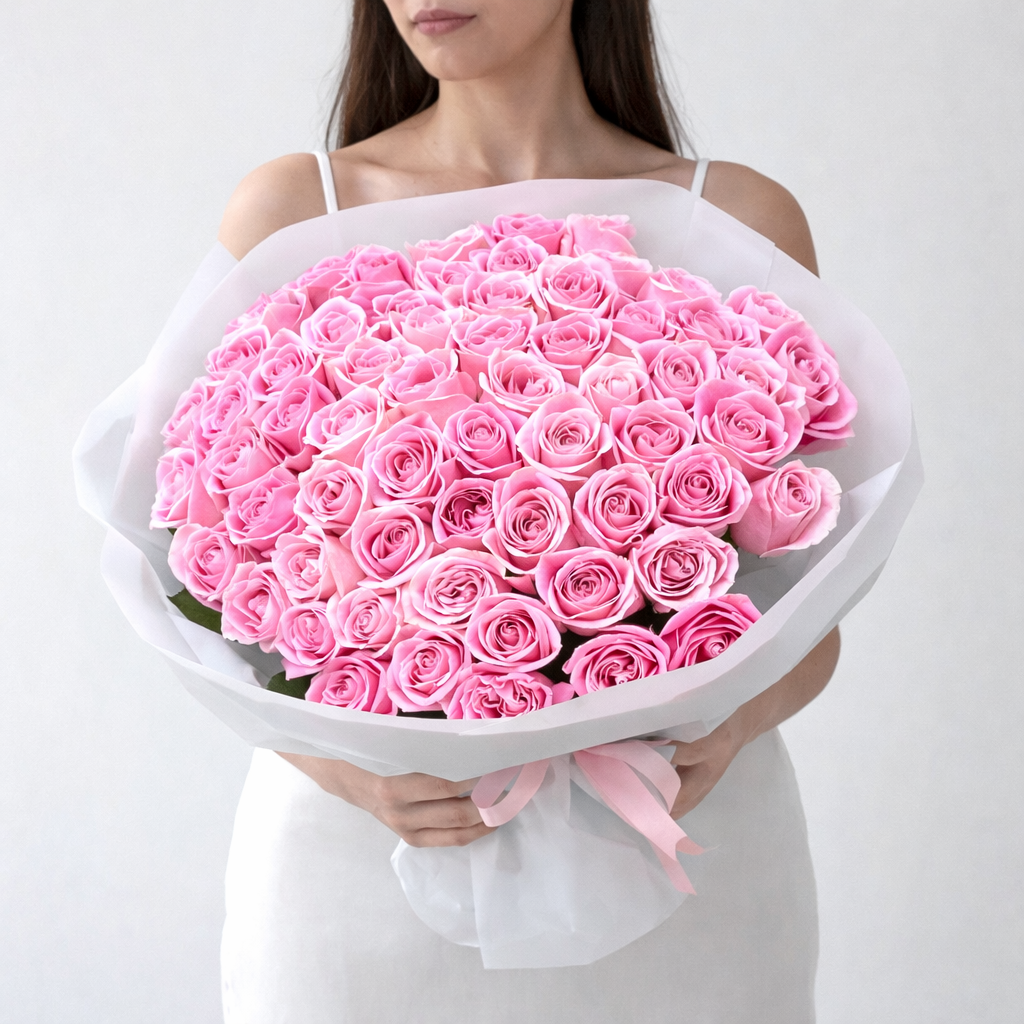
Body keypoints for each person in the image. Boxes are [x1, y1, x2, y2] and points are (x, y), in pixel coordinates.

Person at [216, 1, 841, 1020]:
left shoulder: (737, 218)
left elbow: (814, 616)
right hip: (369, 856)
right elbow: (212, 588)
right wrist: (341, 768)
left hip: (677, 847)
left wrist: (727, 730)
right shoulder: (295, 209)